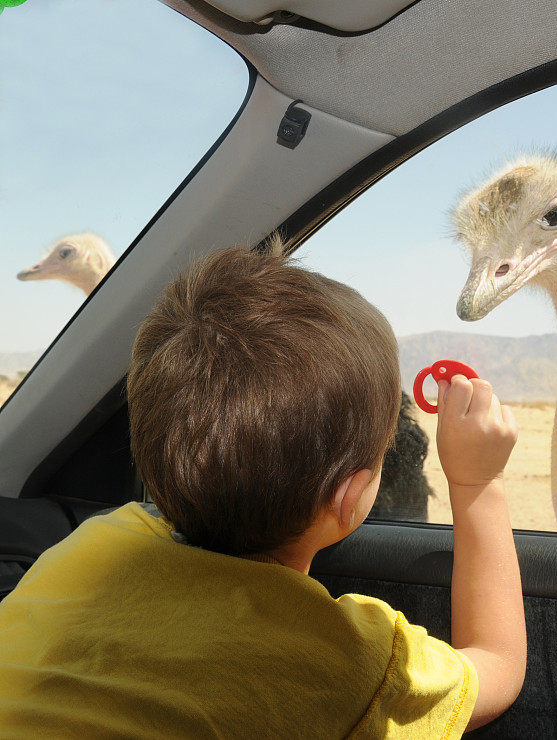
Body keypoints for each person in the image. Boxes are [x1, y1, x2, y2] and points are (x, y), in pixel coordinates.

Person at [0, 246, 526, 737]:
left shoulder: (86, 551)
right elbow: (497, 666)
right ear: (351, 497)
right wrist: (478, 482)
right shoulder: (349, 660)